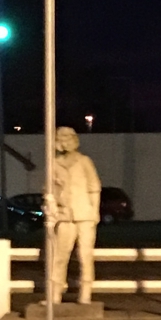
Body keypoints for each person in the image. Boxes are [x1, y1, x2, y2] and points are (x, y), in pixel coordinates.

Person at [44, 126, 101, 304]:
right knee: (60, 256)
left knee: (85, 256)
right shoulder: (54, 164)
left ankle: (85, 293)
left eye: (68, 138)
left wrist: (95, 212)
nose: (65, 142)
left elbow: (94, 188)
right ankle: (55, 293)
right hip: (64, 215)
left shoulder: (84, 161)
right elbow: (48, 190)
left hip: (85, 215)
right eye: (61, 139)